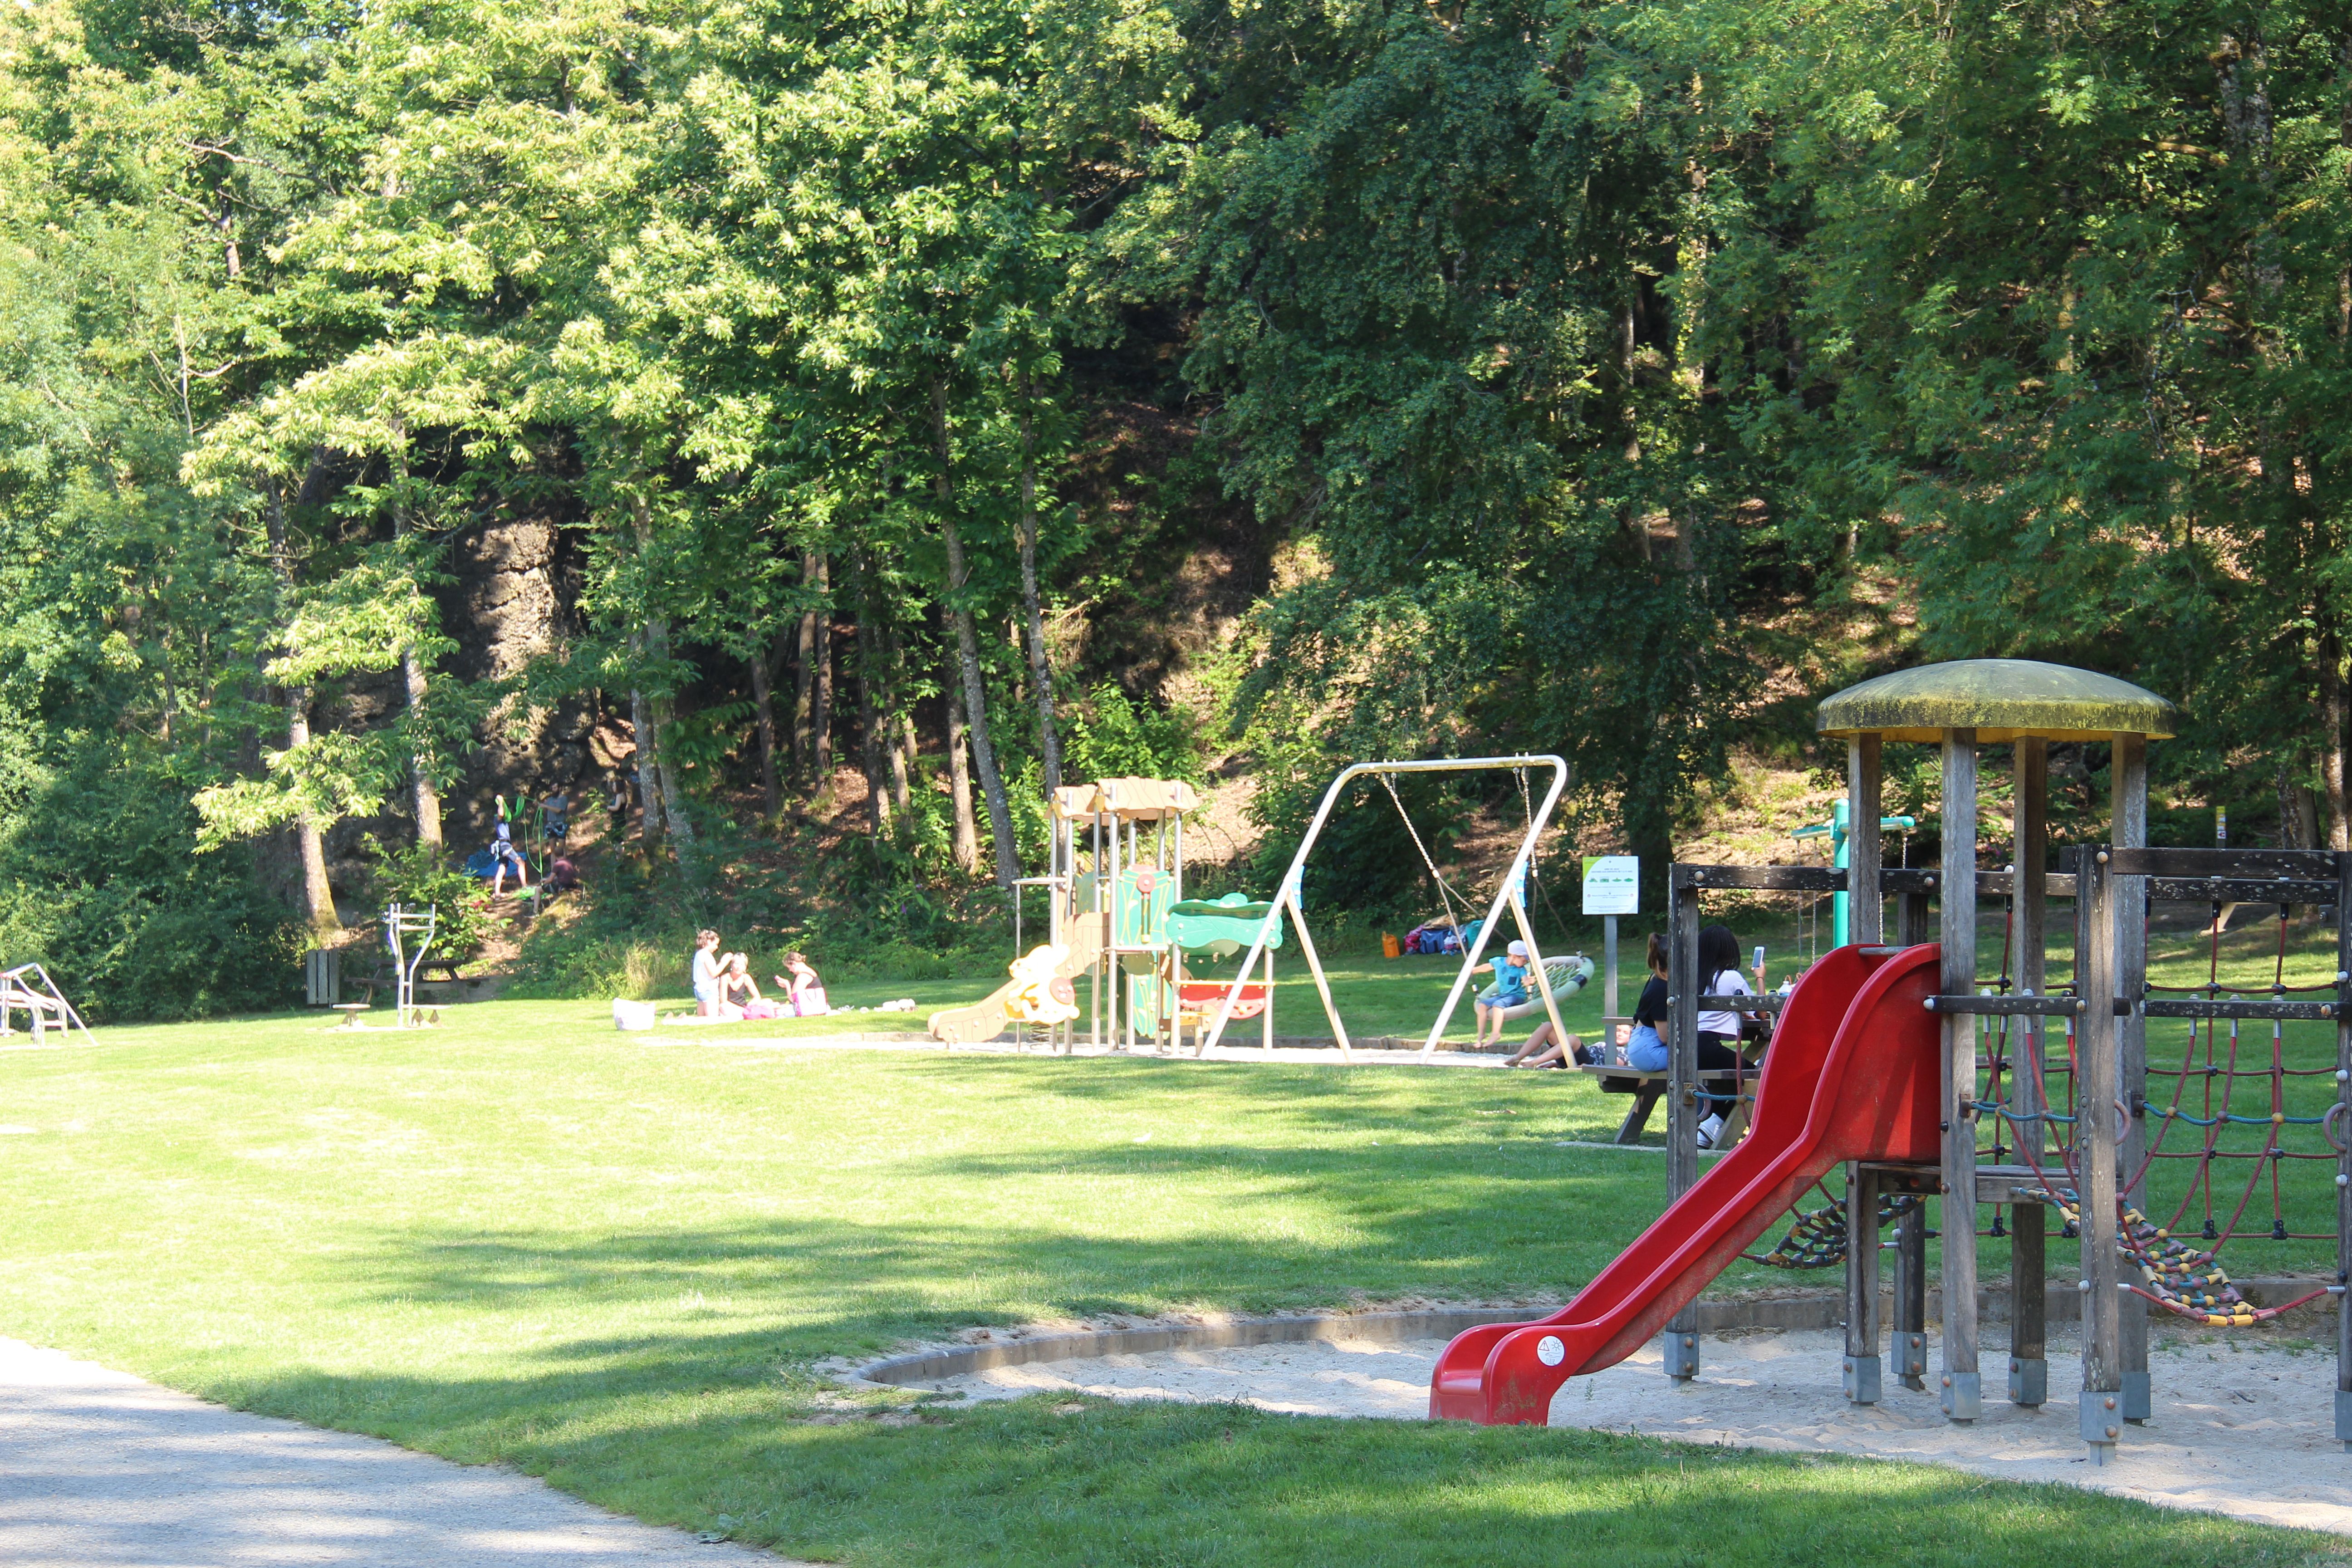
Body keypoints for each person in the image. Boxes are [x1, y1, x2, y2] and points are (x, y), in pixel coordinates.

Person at [1692, 923, 1755, 1148]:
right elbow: (1759, 1012)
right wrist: (1760, 978)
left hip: (1687, 1047)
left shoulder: (1692, 976)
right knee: (1757, 1078)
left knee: (1736, 1079)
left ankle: (1708, 1126)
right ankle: (1711, 1127)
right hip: (1708, 1047)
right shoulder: (1730, 977)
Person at [1473, 940, 1533, 1048]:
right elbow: (1486, 967)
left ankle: (1496, 1034)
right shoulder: (1498, 962)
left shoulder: (1521, 969)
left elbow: (1525, 980)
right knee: (1482, 1005)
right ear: (1514, 956)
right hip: (1503, 995)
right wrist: (1472, 970)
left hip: (1517, 996)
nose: (1526, 962)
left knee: (1498, 1005)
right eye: (1524, 960)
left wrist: (1529, 982)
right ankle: (1481, 1034)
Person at [489, 808, 529, 897]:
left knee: (502, 869)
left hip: (502, 847)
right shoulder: (498, 819)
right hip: (505, 846)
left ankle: (497, 893)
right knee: (521, 863)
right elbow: (501, 813)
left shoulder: (504, 822)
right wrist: (501, 802)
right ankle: (525, 886)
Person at [775, 951, 828, 1016]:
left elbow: (794, 999)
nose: (790, 970)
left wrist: (787, 985)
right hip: (816, 1007)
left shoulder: (803, 976)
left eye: (789, 968)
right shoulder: (810, 972)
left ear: (794, 964)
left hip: (808, 1009)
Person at [691, 929, 724, 1017]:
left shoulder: (699, 954)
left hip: (699, 989)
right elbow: (713, 973)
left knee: (701, 1018)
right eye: (716, 944)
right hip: (708, 990)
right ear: (709, 942)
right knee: (712, 1019)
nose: (717, 947)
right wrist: (724, 962)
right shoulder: (706, 954)